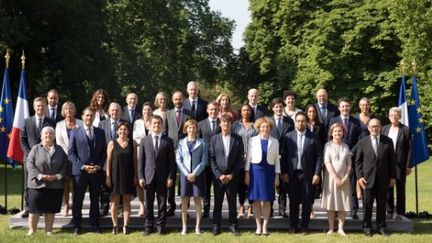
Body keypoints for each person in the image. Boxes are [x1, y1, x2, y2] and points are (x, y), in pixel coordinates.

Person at [281, 112, 323, 234]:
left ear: (307, 122)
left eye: (303, 121)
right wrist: (284, 172)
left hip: (308, 174)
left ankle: (304, 226)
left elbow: (319, 157)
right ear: (295, 122)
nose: (300, 123)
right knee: (293, 201)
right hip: (292, 174)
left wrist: (317, 173)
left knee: (306, 202)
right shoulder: (288, 137)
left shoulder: (313, 137)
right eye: (298, 121)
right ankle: (293, 226)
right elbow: (284, 156)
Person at [68, 107, 107, 235]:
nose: (89, 118)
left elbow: (104, 153)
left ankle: (95, 225)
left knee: (95, 200)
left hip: (96, 173)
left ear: (94, 117)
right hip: (80, 173)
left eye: (91, 116)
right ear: (83, 116)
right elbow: (71, 153)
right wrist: (82, 166)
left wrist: (99, 166)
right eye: (87, 115)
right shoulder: (75, 132)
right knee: (78, 200)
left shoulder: (100, 132)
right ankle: (77, 226)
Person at [355, 118, 396, 237]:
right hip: (367, 179)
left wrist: (393, 177)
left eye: (376, 126)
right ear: (368, 128)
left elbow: (392, 161)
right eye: (372, 126)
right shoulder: (363, 142)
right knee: (367, 205)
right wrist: (359, 177)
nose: (374, 128)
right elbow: (358, 162)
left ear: (380, 127)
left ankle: (381, 227)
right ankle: (367, 227)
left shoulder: (388, 141)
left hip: (383, 178)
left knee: (382, 204)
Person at [26, 126, 68, 236]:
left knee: (50, 209)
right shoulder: (35, 148)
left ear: (54, 136)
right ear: (41, 136)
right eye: (45, 134)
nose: (48, 136)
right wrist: (40, 176)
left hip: (55, 184)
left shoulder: (59, 149)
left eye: (50, 134)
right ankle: (32, 230)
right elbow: (29, 164)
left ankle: (49, 230)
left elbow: (65, 164)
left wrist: (57, 176)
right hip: (37, 184)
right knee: (34, 209)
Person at [138, 115, 176, 236]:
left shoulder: (168, 141)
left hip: (163, 177)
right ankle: (149, 226)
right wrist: (140, 176)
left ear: (162, 125)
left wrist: (171, 177)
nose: (156, 125)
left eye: (158, 123)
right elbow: (141, 161)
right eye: (154, 123)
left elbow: (172, 162)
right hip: (148, 177)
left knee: (162, 203)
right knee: (148, 203)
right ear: (149, 125)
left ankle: (161, 226)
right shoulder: (145, 140)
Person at [20, 97, 56, 218]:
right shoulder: (27, 121)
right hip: (29, 159)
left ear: (45, 107)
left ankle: (42, 208)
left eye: (42, 106)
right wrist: (31, 154)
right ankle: (28, 208)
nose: (40, 108)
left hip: (46, 159)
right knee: (29, 184)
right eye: (38, 106)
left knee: (44, 183)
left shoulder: (51, 122)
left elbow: (52, 140)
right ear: (34, 107)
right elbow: (23, 140)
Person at [245, 117, 280, 235]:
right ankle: (258, 226)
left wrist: (277, 176)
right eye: (263, 127)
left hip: (269, 171)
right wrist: (247, 174)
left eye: (267, 127)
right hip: (255, 171)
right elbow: (248, 158)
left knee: (267, 200)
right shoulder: (252, 140)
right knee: (255, 200)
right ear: (259, 128)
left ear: (270, 128)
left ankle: (265, 227)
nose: (265, 128)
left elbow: (277, 160)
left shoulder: (275, 141)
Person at [210, 114, 244, 236]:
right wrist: (219, 175)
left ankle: (233, 226)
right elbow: (212, 159)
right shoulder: (214, 139)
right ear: (220, 124)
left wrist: (231, 175)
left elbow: (240, 160)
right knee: (217, 203)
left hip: (232, 178)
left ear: (231, 124)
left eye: (228, 122)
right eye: (223, 122)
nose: (226, 124)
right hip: (218, 178)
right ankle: (216, 226)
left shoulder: (238, 139)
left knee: (232, 203)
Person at [329, 97, 362, 220]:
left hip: (351, 157)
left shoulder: (356, 121)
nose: (345, 108)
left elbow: (360, 140)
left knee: (352, 185)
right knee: (336, 185)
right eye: (342, 106)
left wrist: (350, 152)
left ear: (350, 107)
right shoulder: (333, 120)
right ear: (339, 108)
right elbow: (329, 138)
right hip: (336, 159)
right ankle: (337, 210)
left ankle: (354, 211)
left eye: (347, 106)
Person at [176, 119, 208, 235]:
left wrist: (194, 173)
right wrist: (187, 173)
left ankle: (197, 227)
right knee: (184, 201)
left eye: (194, 127)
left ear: (196, 129)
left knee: (197, 201)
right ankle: (184, 227)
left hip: (197, 175)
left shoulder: (202, 142)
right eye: (189, 127)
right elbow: (178, 160)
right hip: (185, 176)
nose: (191, 129)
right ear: (185, 129)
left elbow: (204, 161)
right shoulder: (180, 142)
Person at [106, 122, 137, 234]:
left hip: (128, 175)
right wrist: (108, 177)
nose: (123, 131)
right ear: (117, 130)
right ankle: (115, 226)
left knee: (126, 201)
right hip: (115, 175)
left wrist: (136, 176)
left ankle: (125, 226)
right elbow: (108, 161)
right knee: (114, 201)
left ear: (128, 131)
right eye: (120, 129)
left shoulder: (132, 143)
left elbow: (135, 161)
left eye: (125, 129)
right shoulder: (112, 143)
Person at [321, 123, 352, 236]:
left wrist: (345, 177)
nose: (337, 133)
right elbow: (327, 162)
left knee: (342, 204)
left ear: (343, 133)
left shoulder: (346, 146)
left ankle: (340, 228)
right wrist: (335, 178)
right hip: (331, 179)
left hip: (344, 180)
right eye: (335, 131)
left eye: (340, 131)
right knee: (331, 204)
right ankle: (331, 228)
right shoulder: (327, 146)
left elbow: (349, 164)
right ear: (331, 133)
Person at [98, 102, 129, 216]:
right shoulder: (102, 124)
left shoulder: (125, 124)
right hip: (104, 159)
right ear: (109, 112)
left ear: (120, 112)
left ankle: (120, 207)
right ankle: (104, 207)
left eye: (117, 110)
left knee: (119, 183)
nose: (114, 112)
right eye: (112, 110)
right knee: (105, 185)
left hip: (120, 160)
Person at [382, 107, 412, 220]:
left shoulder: (405, 129)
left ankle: (400, 213)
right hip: (386, 164)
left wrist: (408, 165)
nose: (393, 117)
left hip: (401, 164)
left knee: (400, 188)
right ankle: (389, 211)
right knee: (388, 188)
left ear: (400, 116)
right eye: (391, 115)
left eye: (396, 114)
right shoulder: (384, 129)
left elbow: (410, 149)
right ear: (388, 116)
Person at [166, 91, 193, 216]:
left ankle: (184, 208)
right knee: (171, 179)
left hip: (186, 152)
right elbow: (165, 133)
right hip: (171, 152)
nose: (178, 101)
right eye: (175, 99)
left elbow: (193, 132)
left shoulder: (190, 114)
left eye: (180, 99)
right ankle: (171, 206)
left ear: (183, 99)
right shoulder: (168, 114)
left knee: (185, 182)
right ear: (173, 100)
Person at [55, 101, 83, 216]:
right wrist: (69, 154)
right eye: (66, 109)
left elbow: (83, 140)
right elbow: (59, 142)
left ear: (74, 110)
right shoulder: (59, 125)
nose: (69, 111)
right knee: (66, 182)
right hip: (65, 158)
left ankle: (76, 205)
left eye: (71, 108)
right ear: (63, 111)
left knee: (77, 183)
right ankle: (66, 205)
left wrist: (75, 154)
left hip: (78, 158)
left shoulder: (80, 123)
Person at [269, 97, 294, 218]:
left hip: (285, 156)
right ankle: (270, 208)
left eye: (280, 106)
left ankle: (282, 208)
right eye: (276, 107)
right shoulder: (268, 121)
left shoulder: (289, 122)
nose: (279, 109)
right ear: (273, 108)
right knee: (271, 182)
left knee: (283, 183)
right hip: (270, 156)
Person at [232, 104, 257, 218]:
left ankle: (251, 206)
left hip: (253, 158)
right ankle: (241, 206)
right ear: (240, 112)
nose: (246, 112)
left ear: (250, 112)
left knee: (251, 183)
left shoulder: (255, 126)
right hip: (240, 159)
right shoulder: (236, 126)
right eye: (244, 110)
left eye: (248, 110)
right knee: (241, 184)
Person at [198, 101, 221, 218]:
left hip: (219, 161)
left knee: (218, 187)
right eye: (211, 109)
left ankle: (217, 210)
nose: (213, 112)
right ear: (207, 110)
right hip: (206, 161)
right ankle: (206, 209)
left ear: (219, 111)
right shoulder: (201, 124)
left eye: (216, 110)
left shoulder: (223, 123)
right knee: (206, 187)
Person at [133, 102, 154, 216]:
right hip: (139, 155)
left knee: (150, 180)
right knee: (140, 180)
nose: (147, 112)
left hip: (152, 156)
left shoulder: (155, 122)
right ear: (142, 111)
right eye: (145, 110)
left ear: (152, 111)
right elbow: (135, 138)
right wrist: (146, 142)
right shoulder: (137, 123)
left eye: (149, 110)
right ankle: (141, 205)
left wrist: (144, 141)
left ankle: (149, 204)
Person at [305, 104, 325, 218]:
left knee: (313, 185)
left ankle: (311, 208)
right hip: (306, 158)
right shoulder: (303, 124)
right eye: (309, 112)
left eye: (313, 112)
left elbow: (323, 141)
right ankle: (305, 208)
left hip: (316, 158)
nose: (311, 114)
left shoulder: (320, 126)